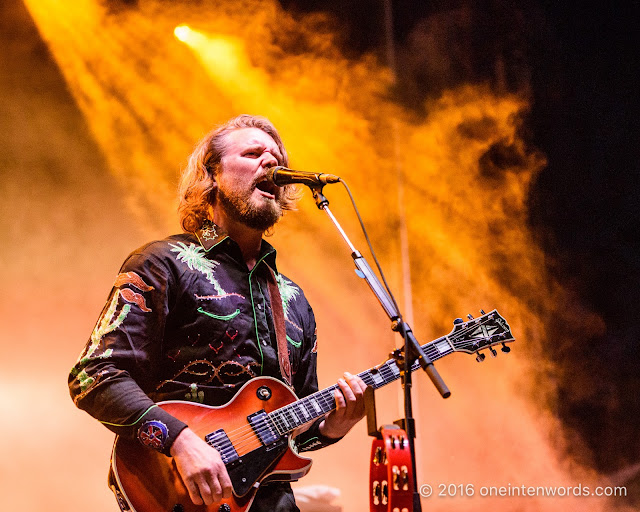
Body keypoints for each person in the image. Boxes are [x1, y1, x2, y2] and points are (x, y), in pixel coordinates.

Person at [69, 114, 367, 511]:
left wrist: (334, 427)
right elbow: (94, 376)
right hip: (177, 494)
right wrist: (181, 440)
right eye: (253, 153)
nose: (272, 164)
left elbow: (295, 428)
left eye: (277, 157)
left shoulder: (293, 301)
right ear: (212, 175)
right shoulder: (165, 263)